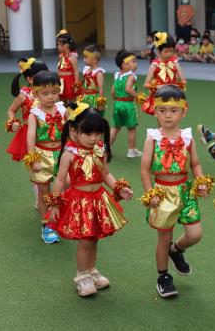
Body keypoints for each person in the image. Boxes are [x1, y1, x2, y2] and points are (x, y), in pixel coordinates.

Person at [46, 101, 133, 297]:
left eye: (98, 133)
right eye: (88, 133)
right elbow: (60, 180)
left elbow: (105, 175)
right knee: (85, 241)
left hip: (98, 199)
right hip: (79, 201)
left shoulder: (100, 150)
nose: (94, 138)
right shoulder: (69, 154)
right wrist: (54, 204)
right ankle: (82, 276)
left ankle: (91, 270)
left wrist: (120, 187)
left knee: (94, 239)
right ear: (74, 131)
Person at [140, 85, 213, 298]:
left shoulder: (188, 138)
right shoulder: (152, 138)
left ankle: (177, 250)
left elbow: (196, 164)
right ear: (155, 111)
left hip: (185, 191)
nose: (168, 115)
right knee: (163, 239)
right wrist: (150, 193)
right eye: (162, 110)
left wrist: (200, 181)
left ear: (184, 111)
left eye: (173, 110)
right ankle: (163, 277)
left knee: (195, 234)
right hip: (162, 193)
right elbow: (145, 169)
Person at [24, 71, 65, 244]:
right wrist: (33, 160)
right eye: (45, 93)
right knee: (43, 191)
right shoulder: (35, 114)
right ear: (35, 93)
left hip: (63, 153)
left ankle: (64, 215)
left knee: (68, 183)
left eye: (54, 92)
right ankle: (46, 225)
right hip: (43, 155)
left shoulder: (63, 109)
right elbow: (30, 137)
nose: (50, 97)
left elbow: (71, 131)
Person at [5, 57, 48, 162]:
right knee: (34, 165)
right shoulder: (24, 95)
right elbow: (11, 110)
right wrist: (13, 121)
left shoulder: (50, 94)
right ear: (30, 79)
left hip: (47, 132)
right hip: (28, 133)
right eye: (41, 76)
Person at [141, 32, 186, 115]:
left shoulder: (175, 63)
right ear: (158, 51)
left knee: (174, 120)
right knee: (162, 123)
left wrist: (178, 85)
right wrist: (161, 86)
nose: (169, 54)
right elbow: (146, 85)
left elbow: (183, 81)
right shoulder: (154, 65)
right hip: (160, 96)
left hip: (173, 96)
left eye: (171, 51)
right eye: (166, 51)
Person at [110, 50, 142, 158]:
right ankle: (131, 151)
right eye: (133, 61)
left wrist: (116, 101)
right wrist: (137, 96)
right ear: (124, 65)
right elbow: (128, 89)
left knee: (115, 127)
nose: (135, 63)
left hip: (118, 103)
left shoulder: (117, 76)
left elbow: (112, 92)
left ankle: (107, 148)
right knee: (131, 128)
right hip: (128, 104)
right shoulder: (131, 76)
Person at [78, 45, 106, 114]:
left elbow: (100, 89)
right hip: (85, 98)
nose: (84, 59)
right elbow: (83, 82)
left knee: (94, 118)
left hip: (94, 99)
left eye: (86, 57)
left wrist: (100, 103)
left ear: (94, 59)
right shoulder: (86, 70)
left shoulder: (99, 73)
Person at [56, 29, 79, 104]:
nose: (58, 47)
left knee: (72, 101)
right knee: (62, 101)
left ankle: (74, 115)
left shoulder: (72, 57)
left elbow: (76, 71)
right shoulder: (60, 56)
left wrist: (76, 84)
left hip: (70, 81)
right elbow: (59, 69)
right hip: (61, 81)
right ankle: (64, 115)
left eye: (59, 44)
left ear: (66, 45)